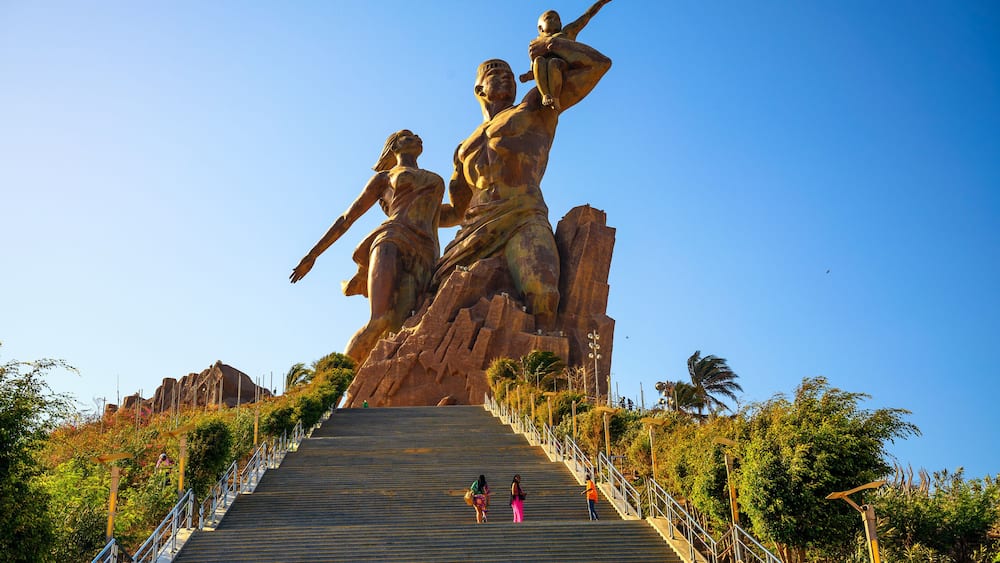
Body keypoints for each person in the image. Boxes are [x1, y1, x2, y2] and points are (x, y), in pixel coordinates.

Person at [432, 34, 611, 332]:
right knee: (435, 298)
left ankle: (544, 372)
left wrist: (553, 45)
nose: (507, 79)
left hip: (523, 216)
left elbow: (598, 65)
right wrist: (409, 217)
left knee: (543, 293)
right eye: (496, 75)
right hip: (474, 228)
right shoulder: (463, 149)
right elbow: (455, 212)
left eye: (511, 76)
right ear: (480, 88)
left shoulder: (535, 104)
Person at [291, 130, 447, 364]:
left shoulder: (434, 178)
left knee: (399, 327)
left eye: (415, 134)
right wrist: (313, 254)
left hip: (425, 253)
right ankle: (334, 386)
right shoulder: (384, 178)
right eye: (407, 135)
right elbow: (347, 218)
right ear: (393, 148)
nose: (417, 136)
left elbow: (452, 214)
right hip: (392, 239)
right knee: (380, 320)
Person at [519, 0, 612, 110]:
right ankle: (545, 95)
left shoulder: (566, 33)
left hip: (562, 65)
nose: (554, 20)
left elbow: (586, 16)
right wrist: (529, 75)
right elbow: (534, 63)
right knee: (539, 60)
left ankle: (555, 97)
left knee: (554, 63)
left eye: (557, 19)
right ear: (540, 27)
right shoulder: (536, 42)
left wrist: (600, 3)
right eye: (549, 18)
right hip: (543, 69)